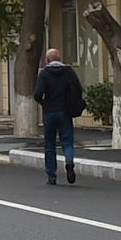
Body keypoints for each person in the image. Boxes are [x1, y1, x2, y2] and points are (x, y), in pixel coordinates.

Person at [33, 48, 84, 186]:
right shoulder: (68, 72)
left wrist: (44, 104)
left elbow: (37, 94)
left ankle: (51, 176)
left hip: (50, 113)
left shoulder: (44, 74)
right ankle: (69, 161)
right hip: (65, 112)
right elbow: (79, 89)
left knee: (49, 144)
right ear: (59, 59)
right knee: (67, 142)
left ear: (48, 60)